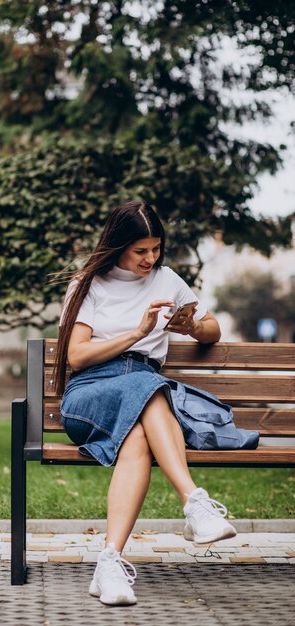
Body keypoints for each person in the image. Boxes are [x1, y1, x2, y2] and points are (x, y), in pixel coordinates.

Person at [54, 201, 237, 607]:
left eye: (156, 248)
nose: (150, 258)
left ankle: (110, 562)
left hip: (142, 392)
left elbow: (213, 330)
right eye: (141, 251)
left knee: (138, 434)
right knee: (152, 388)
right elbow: (77, 357)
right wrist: (139, 332)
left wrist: (191, 326)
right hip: (90, 395)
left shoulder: (166, 279)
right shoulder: (87, 284)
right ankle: (194, 502)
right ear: (119, 246)